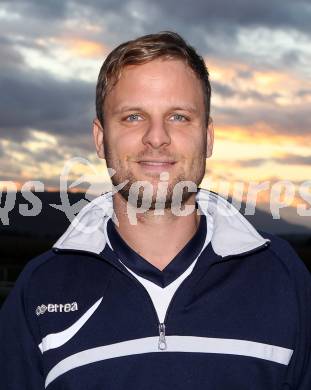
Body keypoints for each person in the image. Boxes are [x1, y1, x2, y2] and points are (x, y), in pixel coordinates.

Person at [0, 31, 310, 390]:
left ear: (208, 137)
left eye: (178, 117)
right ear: (100, 139)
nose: (157, 137)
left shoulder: (283, 277)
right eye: (133, 117)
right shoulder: (40, 289)